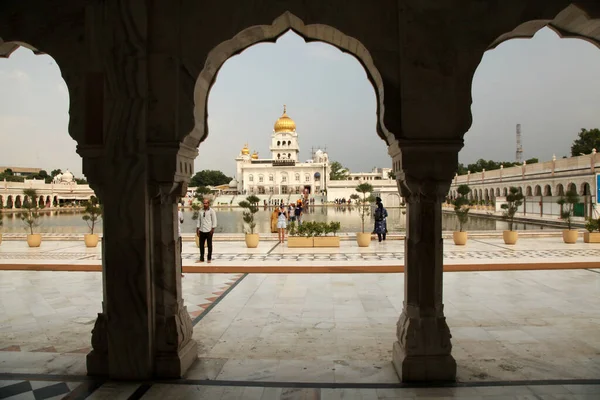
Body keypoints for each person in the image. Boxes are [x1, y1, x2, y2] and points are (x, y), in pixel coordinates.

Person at [179, 208, 185, 277]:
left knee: (179, 254)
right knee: (179, 254)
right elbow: (182, 221)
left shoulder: (179, 212)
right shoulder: (179, 212)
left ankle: (179, 272)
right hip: (178, 234)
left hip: (178, 235)